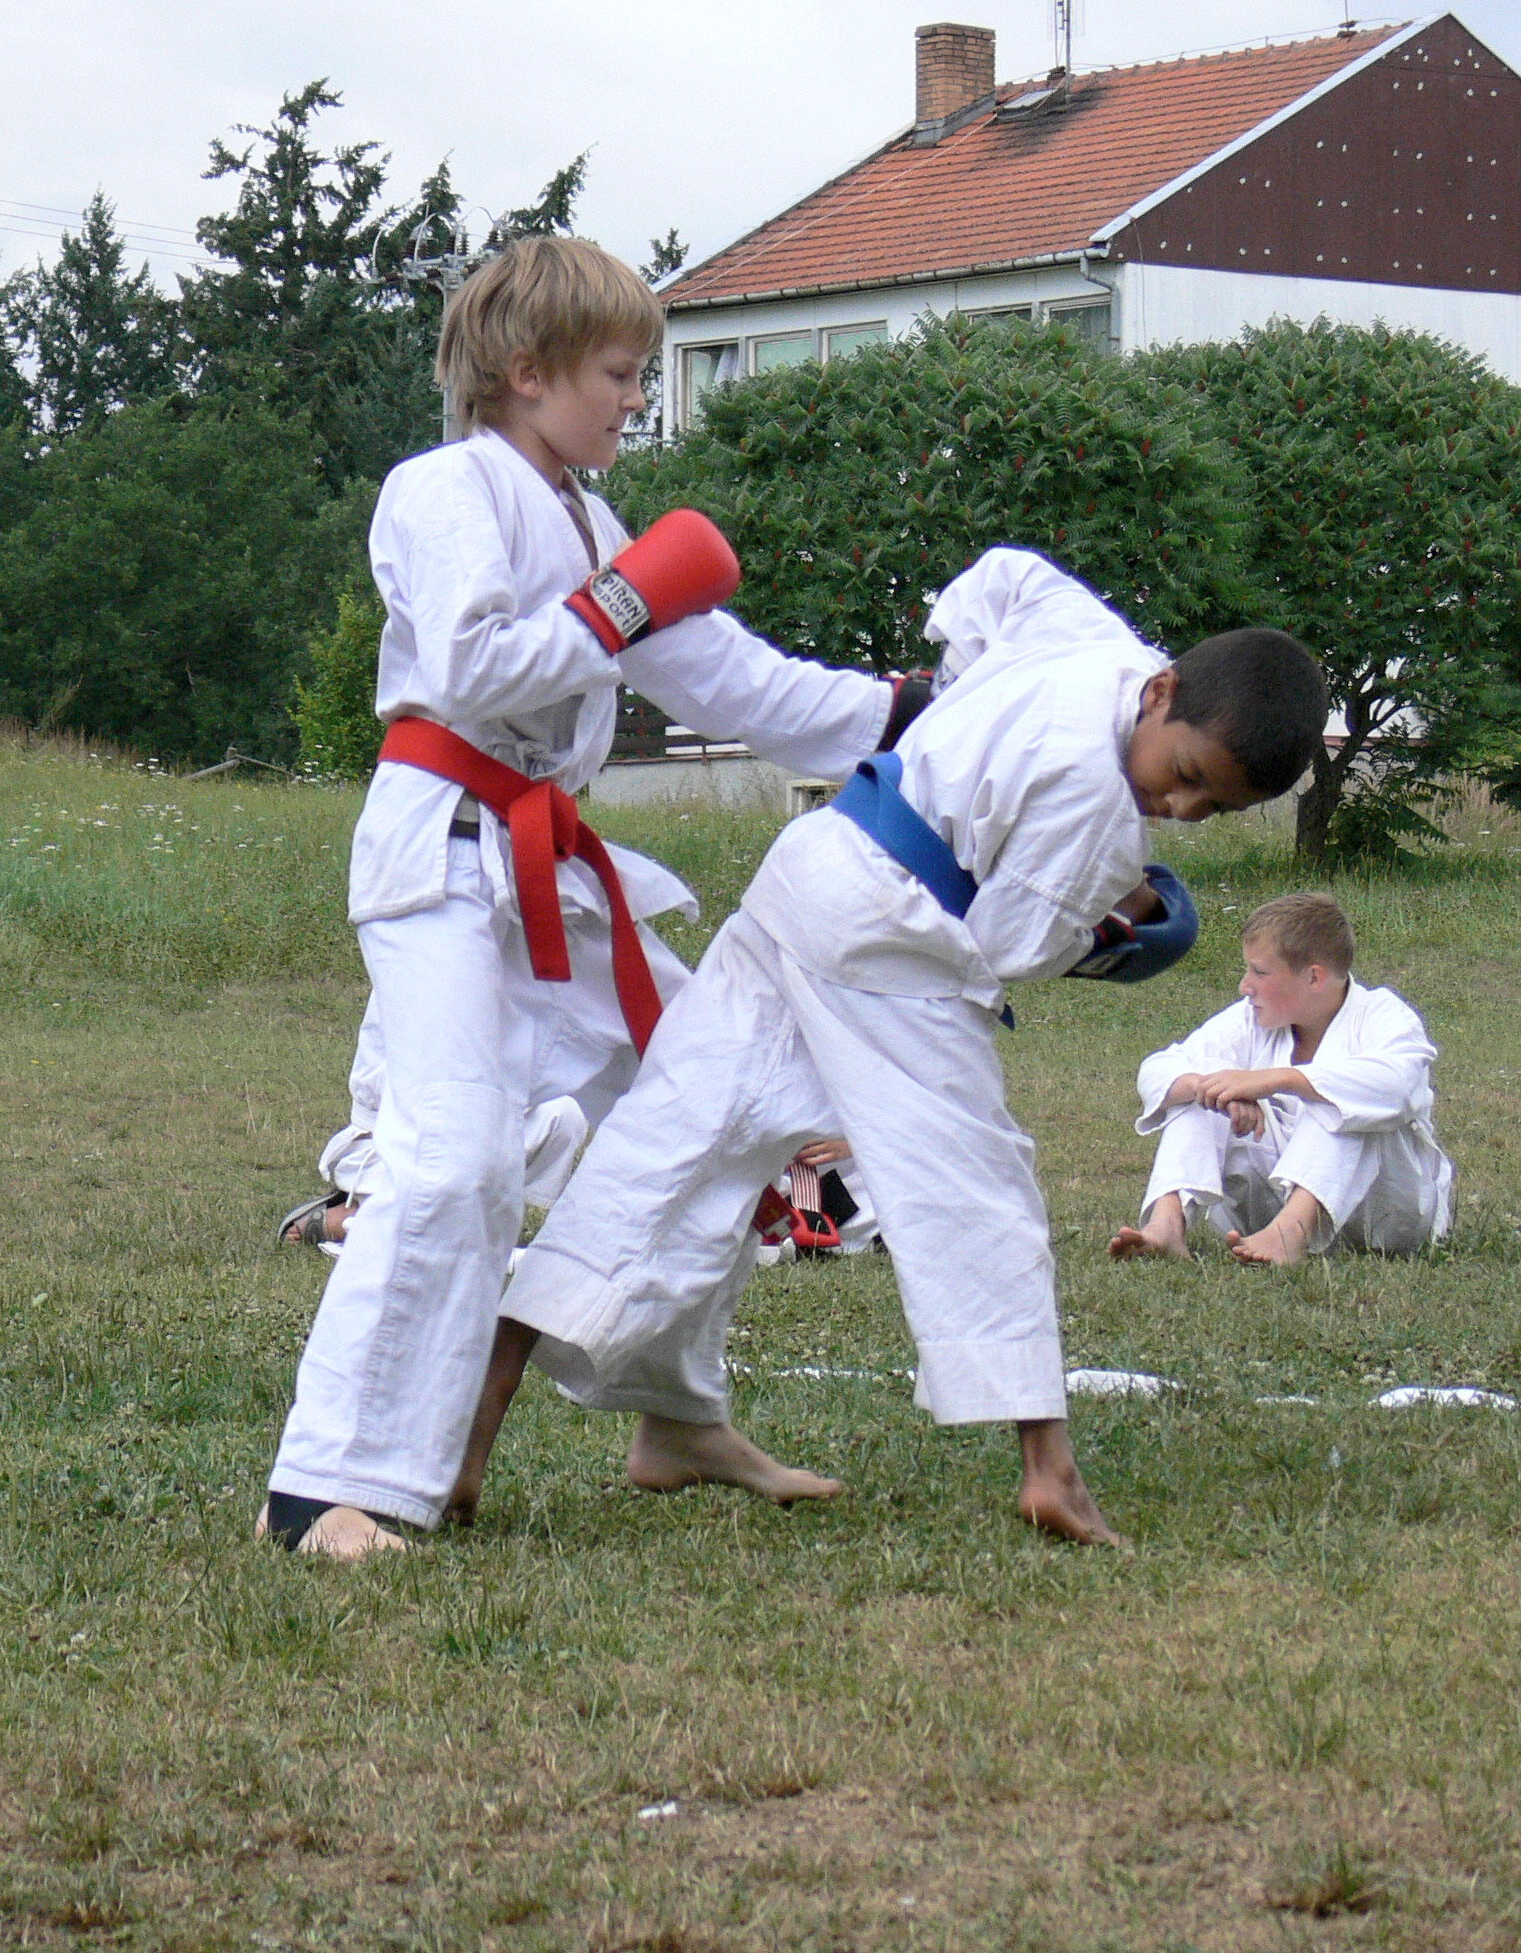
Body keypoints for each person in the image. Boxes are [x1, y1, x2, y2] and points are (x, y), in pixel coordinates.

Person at [454, 547, 1329, 1547]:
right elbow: (1008, 942)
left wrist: (955, 704)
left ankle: (623, 1415)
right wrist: (1116, 926)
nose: (1178, 809)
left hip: (811, 867)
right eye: (1185, 777)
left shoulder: (1091, 640)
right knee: (975, 1181)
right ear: (1162, 694)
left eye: (1211, 809)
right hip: (889, 936)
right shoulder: (1099, 820)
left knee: (684, 1138)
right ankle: (1049, 1470)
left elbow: (1000, 579)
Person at [260, 235, 906, 1560]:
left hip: (550, 872)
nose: (637, 401)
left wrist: (908, 716)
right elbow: (469, 667)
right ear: (525, 369)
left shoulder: (592, 523)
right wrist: (616, 604)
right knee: (455, 1159)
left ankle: (672, 1410)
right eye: (618, 373)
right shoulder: (440, 487)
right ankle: (324, 1489)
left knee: (736, 1095)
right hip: (444, 859)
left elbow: (739, 685)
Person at [1109, 892, 1454, 1266]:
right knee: (1198, 1092)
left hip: (1384, 1215)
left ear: (1314, 977)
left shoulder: (1383, 1015)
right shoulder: (1250, 1020)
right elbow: (1158, 1069)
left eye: (1259, 972)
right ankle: (1166, 1225)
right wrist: (1212, 1089)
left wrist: (1277, 1080)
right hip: (1269, 1204)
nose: (1245, 986)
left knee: (1342, 1100)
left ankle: (1291, 1234)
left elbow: (1397, 1087)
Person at [277, 994, 590, 1253]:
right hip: (409, 1132)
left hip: (483, 1120)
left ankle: (471, 1217)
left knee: (563, 1112)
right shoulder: (423, 967)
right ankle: (363, 1214)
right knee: (431, 1243)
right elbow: (383, 1090)